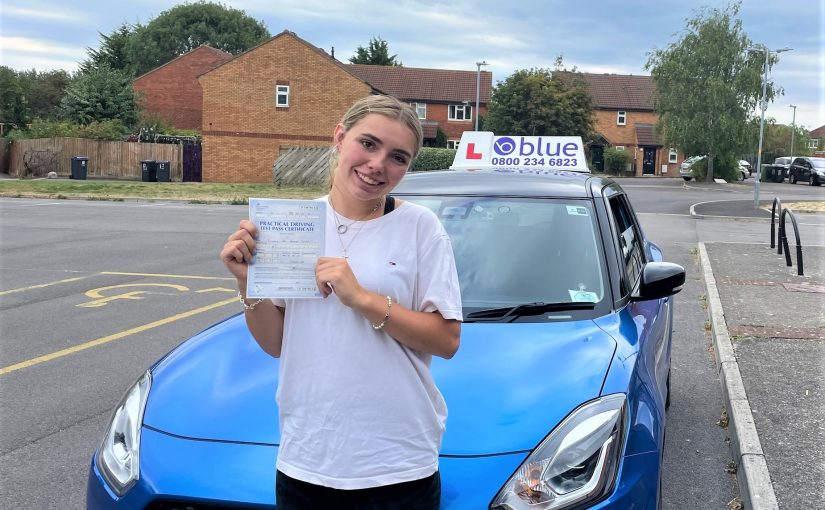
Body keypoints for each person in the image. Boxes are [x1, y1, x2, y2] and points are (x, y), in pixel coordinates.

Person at [219, 94, 462, 509]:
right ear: (339, 137)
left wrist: (363, 298)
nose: (378, 165)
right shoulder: (292, 227)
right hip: (307, 459)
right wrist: (249, 284)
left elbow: (446, 340)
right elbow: (277, 343)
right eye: (368, 144)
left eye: (398, 157)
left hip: (397, 465)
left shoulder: (420, 227)